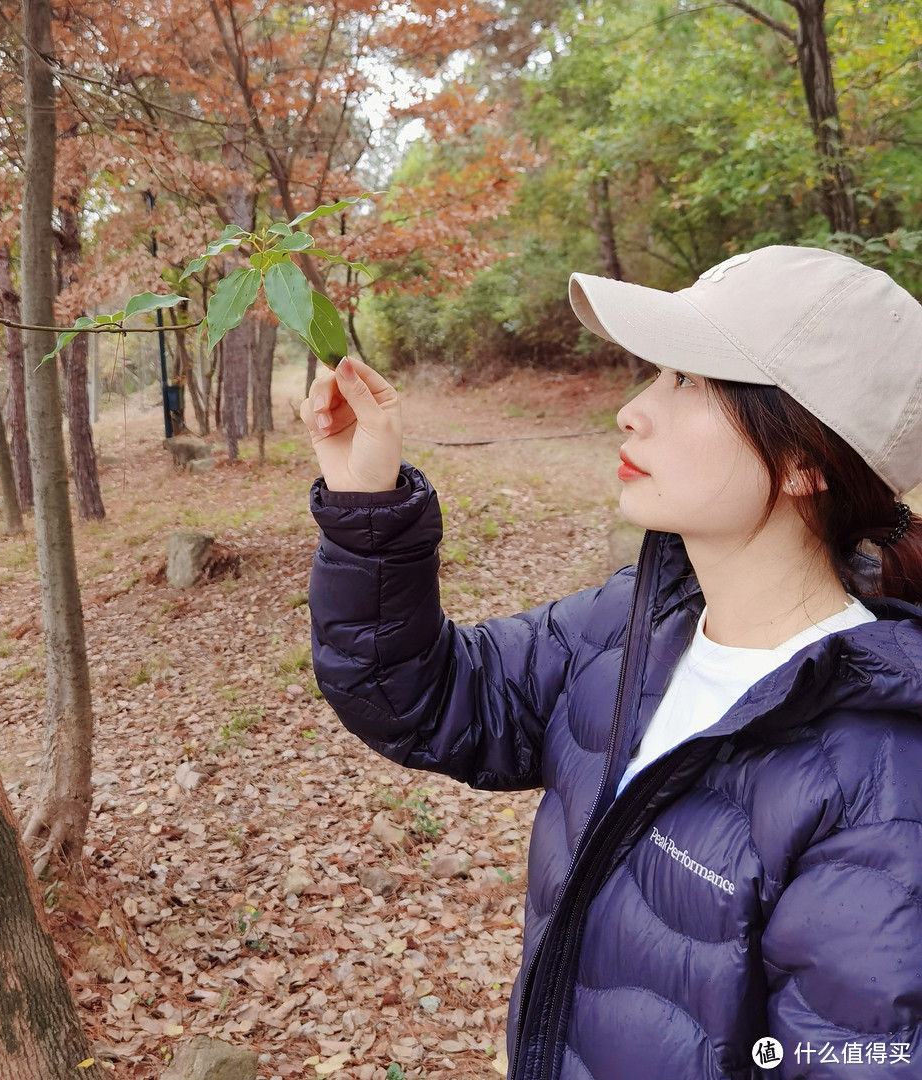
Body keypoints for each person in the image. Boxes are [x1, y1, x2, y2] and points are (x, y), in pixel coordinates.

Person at [299, 246, 922, 1080]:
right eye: (654, 375)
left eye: (688, 381)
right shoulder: (628, 627)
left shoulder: (881, 786)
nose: (630, 411)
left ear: (807, 457)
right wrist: (367, 506)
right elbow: (421, 696)